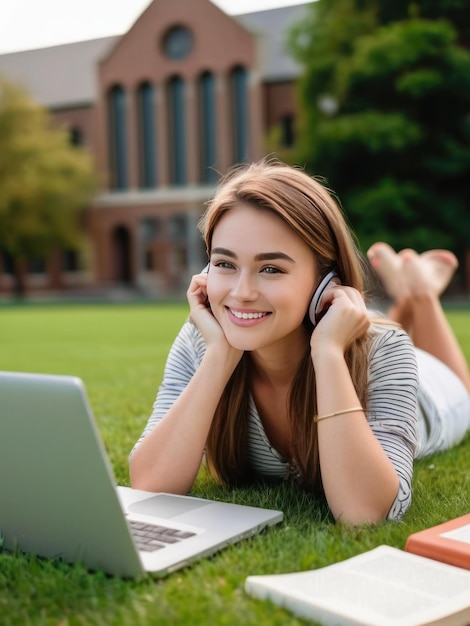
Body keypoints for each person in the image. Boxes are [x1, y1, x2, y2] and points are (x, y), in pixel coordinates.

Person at [129, 159, 470, 525]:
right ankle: (407, 292)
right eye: (225, 264)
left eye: (271, 269)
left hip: (431, 393)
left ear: (326, 282)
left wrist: (327, 352)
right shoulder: (203, 340)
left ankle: (420, 292)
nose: (241, 293)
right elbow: (150, 486)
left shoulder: (386, 350)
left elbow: (364, 513)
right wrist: (219, 355)